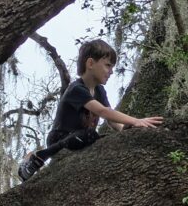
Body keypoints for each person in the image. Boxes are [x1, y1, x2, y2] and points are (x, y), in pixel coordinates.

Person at [17, 38, 163, 181]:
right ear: (91, 63)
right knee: (91, 134)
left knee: (97, 137)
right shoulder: (76, 89)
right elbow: (103, 112)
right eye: (107, 65)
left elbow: (111, 120)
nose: (111, 71)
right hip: (60, 138)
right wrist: (136, 121)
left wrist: (127, 130)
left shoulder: (100, 91)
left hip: (83, 137)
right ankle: (40, 156)